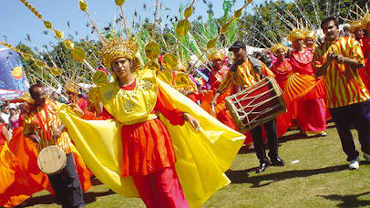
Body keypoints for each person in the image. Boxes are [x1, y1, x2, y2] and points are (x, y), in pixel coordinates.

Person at [59, 37, 245, 208]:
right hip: (131, 142)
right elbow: (106, 121)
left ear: (130, 62)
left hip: (155, 136)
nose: (119, 66)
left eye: (122, 61)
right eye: (115, 63)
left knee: (167, 186)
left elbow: (165, 106)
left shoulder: (147, 80)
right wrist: (80, 119)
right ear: (111, 67)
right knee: (148, 192)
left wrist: (184, 115)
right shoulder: (108, 93)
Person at [211, 40, 285, 173]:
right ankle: (263, 160)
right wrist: (215, 98)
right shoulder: (233, 70)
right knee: (256, 134)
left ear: (244, 49)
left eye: (237, 50)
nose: (235, 54)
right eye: (234, 52)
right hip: (249, 104)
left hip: (263, 99)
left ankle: (274, 157)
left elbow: (270, 76)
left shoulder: (257, 63)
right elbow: (224, 84)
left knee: (271, 131)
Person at [314, 17, 370, 169]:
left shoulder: (351, 42)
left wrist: (342, 59)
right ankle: (352, 157)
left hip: (356, 94)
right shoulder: (320, 49)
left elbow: (360, 62)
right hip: (335, 98)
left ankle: (367, 150)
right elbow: (317, 73)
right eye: (325, 29)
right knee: (343, 131)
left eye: (331, 27)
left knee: (365, 125)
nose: (328, 31)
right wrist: (327, 62)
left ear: (337, 28)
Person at [23, 83, 86, 208]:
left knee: (72, 179)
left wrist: (60, 128)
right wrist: (34, 137)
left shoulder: (57, 106)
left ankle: (78, 205)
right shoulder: (30, 114)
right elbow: (27, 132)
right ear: (33, 97)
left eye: (43, 94)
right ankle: (66, 205)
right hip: (46, 153)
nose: (43, 98)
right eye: (39, 96)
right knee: (57, 184)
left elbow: (69, 117)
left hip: (63, 148)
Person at [288, 29, 327, 137]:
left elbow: (316, 64)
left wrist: (317, 74)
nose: (299, 42)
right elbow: (294, 69)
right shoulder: (292, 55)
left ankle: (320, 128)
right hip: (301, 84)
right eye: (296, 40)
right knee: (303, 107)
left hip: (312, 80)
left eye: (300, 40)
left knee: (317, 104)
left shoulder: (311, 51)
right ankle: (306, 128)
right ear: (293, 43)